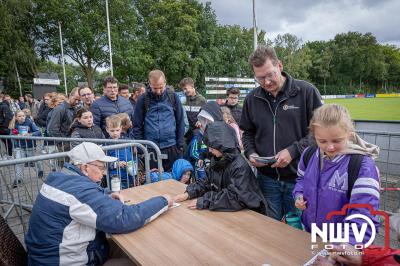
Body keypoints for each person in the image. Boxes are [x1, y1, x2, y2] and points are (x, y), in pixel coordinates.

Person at [25, 142, 173, 265]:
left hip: (44, 257)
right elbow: (124, 219)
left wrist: (107, 194)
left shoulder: (60, 178)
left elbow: (86, 194)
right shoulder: (79, 191)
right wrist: (163, 200)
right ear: (85, 168)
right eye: (101, 168)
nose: (104, 173)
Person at [240, 45, 323, 221]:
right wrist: (250, 153)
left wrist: (293, 151)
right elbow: (247, 133)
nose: (266, 82)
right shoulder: (251, 99)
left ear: (280, 65)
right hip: (267, 180)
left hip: (300, 180)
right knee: (271, 231)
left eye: (270, 74)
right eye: (260, 78)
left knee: (300, 233)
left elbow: (320, 133)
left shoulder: (306, 92)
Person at [293, 104, 380, 246]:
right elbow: (301, 179)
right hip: (310, 235)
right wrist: (298, 195)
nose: (330, 147)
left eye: (337, 140)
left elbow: (364, 215)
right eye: (322, 141)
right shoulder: (309, 154)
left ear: (349, 133)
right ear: (314, 136)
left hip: (341, 245)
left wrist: (345, 248)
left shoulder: (362, 165)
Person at [174, 121, 266, 213]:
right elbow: (207, 181)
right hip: (227, 211)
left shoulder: (239, 167)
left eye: (212, 148)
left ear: (222, 147)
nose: (209, 150)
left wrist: (205, 201)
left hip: (249, 213)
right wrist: (189, 193)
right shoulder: (218, 159)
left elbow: (235, 197)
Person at [132, 70, 185, 172]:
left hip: (172, 146)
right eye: (155, 88)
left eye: (161, 87)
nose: (158, 91)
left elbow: (180, 121)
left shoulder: (173, 97)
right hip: (151, 148)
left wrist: (180, 146)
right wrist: (141, 149)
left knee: (174, 179)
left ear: (165, 83)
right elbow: (137, 126)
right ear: (150, 84)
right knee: (154, 180)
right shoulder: (143, 99)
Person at [9, 110, 44, 186]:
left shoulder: (30, 122)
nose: (22, 118)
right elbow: (11, 134)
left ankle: (40, 169)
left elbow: (38, 131)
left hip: (30, 146)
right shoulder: (14, 124)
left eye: (23, 116)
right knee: (18, 162)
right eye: (19, 116)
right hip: (19, 147)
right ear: (16, 117)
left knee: (35, 160)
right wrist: (16, 136)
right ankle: (18, 179)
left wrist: (30, 134)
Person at [106, 115, 135, 189]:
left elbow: (132, 155)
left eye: (117, 130)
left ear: (121, 128)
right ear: (107, 130)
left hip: (130, 176)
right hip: (116, 178)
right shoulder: (106, 144)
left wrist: (134, 164)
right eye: (112, 131)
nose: (115, 133)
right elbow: (105, 163)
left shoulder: (127, 141)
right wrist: (116, 164)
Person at [179, 77, 206, 144]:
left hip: (197, 131)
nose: (184, 91)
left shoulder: (202, 100)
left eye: (185, 88)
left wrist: (200, 121)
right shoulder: (182, 100)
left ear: (192, 86)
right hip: (185, 132)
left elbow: (206, 115)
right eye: (183, 89)